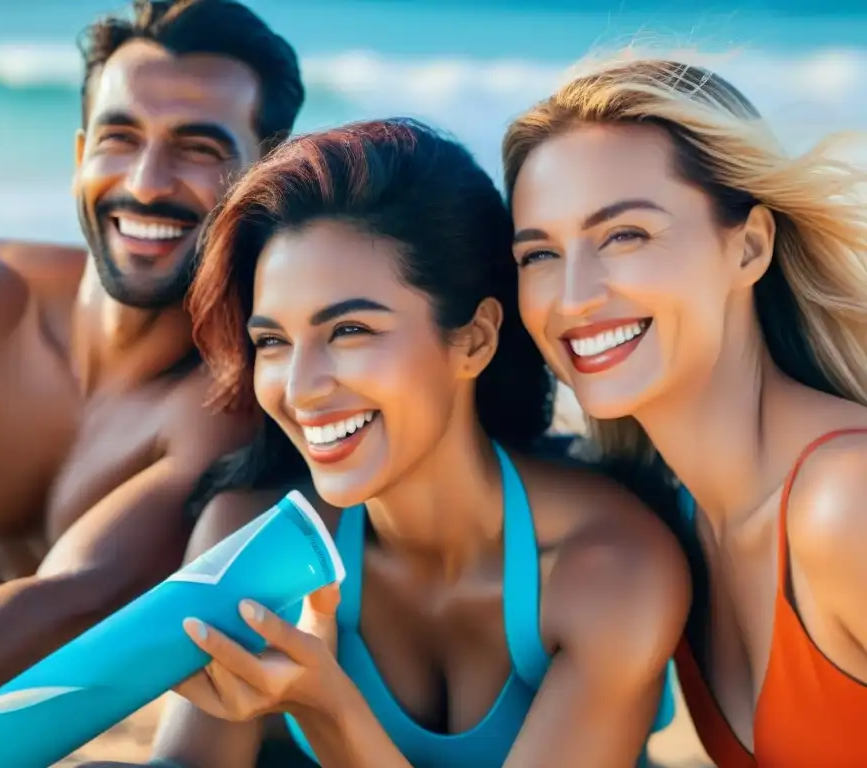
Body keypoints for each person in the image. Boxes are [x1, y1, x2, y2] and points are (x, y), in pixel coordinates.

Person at [102, 118, 690, 768]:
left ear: (474, 340)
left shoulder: (607, 570)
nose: (300, 390)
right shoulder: (250, 537)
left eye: (350, 330)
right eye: (272, 342)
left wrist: (327, 706)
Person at [0, 0, 303, 739]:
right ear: (81, 153)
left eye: (198, 147)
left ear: (266, 176)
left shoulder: (233, 396)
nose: (147, 182)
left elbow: (66, 608)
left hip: (51, 691)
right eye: (121, 138)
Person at [504, 56, 867, 767]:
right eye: (539, 254)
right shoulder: (671, 525)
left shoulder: (846, 506)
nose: (573, 296)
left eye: (624, 235)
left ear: (750, 247)